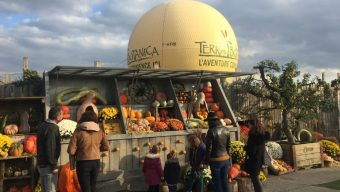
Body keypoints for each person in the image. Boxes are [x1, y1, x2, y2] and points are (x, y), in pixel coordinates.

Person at [67, 111, 109, 192]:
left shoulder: (78, 131)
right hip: (96, 162)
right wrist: (97, 149)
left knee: (85, 188)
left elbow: (71, 151)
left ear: (83, 119)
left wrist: (79, 150)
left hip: (83, 163)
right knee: (93, 186)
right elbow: (106, 147)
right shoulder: (99, 131)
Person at [37, 107, 63, 192]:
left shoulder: (43, 125)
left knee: (45, 189)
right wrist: (53, 165)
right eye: (61, 114)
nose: (63, 116)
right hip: (48, 165)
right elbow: (50, 148)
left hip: (42, 163)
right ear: (57, 116)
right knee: (50, 189)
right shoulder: (52, 128)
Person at [205, 112, 231, 192]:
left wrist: (206, 160)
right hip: (225, 159)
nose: (208, 123)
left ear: (212, 121)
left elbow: (209, 148)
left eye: (209, 121)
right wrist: (229, 159)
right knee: (224, 181)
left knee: (217, 183)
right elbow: (229, 146)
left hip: (216, 160)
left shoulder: (211, 131)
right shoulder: (226, 130)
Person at [244, 117, 270, 192]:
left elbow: (252, 150)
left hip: (254, 160)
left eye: (249, 124)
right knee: (256, 177)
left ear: (252, 124)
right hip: (259, 158)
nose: (248, 126)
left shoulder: (253, 135)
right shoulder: (261, 133)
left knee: (255, 178)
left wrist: (245, 148)